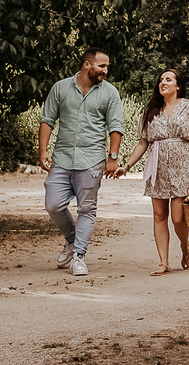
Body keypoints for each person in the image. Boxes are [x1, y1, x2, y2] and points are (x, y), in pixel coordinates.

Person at [39, 46, 124, 277]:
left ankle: (78, 255)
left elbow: (116, 126)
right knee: (53, 205)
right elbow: (47, 119)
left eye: (107, 66)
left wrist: (112, 158)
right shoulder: (61, 88)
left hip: (92, 160)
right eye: (102, 66)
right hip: (62, 158)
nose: (106, 70)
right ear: (87, 64)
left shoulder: (109, 92)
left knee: (87, 209)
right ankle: (71, 240)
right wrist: (43, 150)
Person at [117, 67, 189, 275]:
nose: (163, 82)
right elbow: (143, 143)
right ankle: (164, 262)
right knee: (159, 215)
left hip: (183, 167)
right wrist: (127, 165)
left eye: (168, 79)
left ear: (178, 85)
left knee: (178, 218)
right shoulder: (151, 110)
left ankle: (185, 247)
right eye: (161, 79)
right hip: (157, 168)